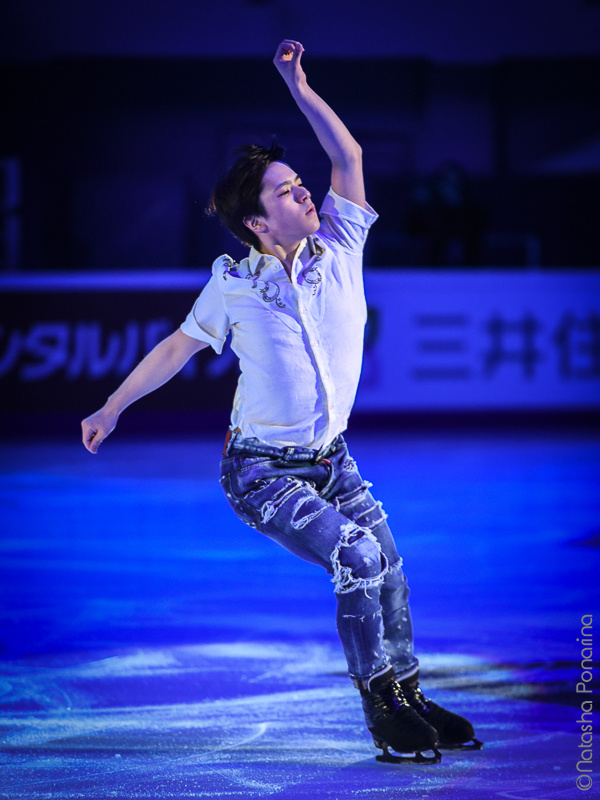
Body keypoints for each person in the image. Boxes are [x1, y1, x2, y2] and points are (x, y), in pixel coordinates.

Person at [82, 40, 482, 764]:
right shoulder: (234, 283)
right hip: (260, 471)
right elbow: (178, 345)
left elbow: (350, 155)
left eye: (302, 183)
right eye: (285, 191)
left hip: (332, 460)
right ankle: (379, 704)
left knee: (388, 561)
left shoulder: (342, 244)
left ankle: (411, 693)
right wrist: (113, 405)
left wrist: (299, 88)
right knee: (357, 555)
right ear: (256, 222)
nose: (304, 193)